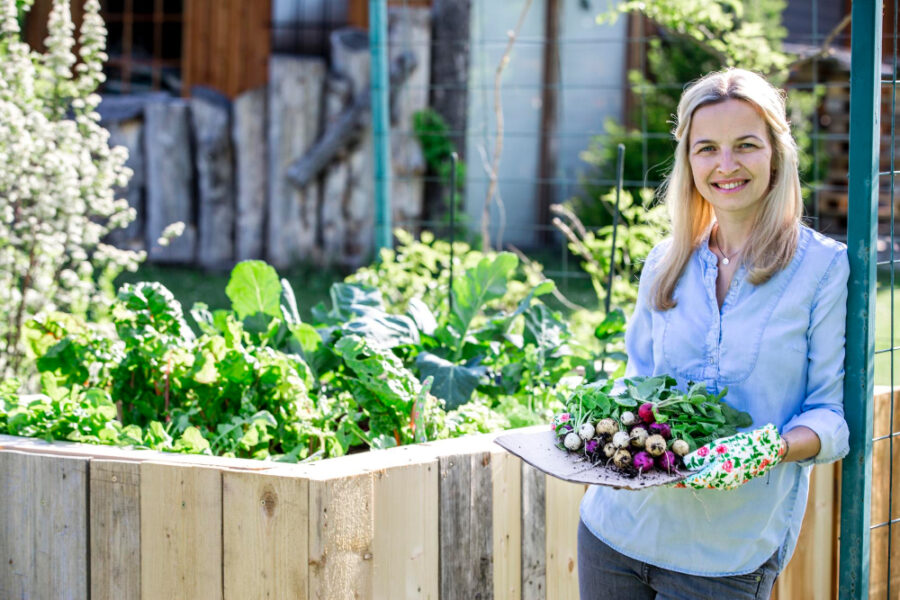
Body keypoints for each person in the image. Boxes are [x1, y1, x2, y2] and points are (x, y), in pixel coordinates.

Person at [577, 68, 850, 600]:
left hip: (726, 552)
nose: (725, 165)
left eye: (745, 145)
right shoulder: (666, 262)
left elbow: (831, 415)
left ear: (776, 151)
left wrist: (767, 449)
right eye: (707, 149)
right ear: (688, 161)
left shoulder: (821, 267)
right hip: (616, 531)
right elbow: (637, 382)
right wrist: (597, 418)